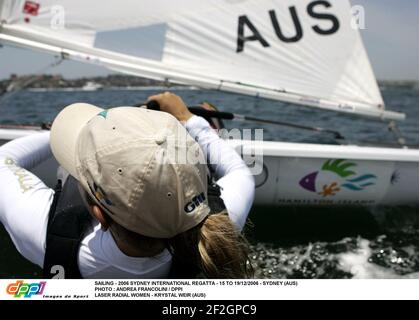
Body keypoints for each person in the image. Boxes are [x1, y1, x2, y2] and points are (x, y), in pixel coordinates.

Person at [0, 92, 255, 279]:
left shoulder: (48, 236)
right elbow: (239, 171)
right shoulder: (221, 228)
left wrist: (75, 131)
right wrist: (190, 120)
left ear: (99, 214)